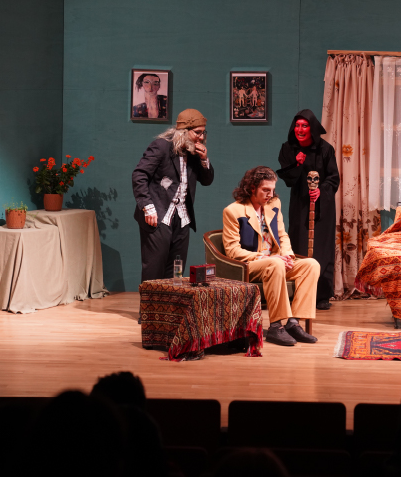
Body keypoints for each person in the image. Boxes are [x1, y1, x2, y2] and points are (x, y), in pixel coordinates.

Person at [222, 166, 319, 346]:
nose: (270, 194)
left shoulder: (274, 205)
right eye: (266, 190)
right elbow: (233, 251)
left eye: (272, 190)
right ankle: (276, 326)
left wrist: (287, 256)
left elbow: (282, 235)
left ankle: (293, 323)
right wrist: (268, 259)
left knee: (311, 264)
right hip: (250, 266)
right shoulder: (233, 211)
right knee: (276, 264)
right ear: (252, 187)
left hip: (276, 262)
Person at [132, 109, 214, 281]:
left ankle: (171, 299)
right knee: (154, 269)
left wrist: (204, 159)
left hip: (182, 218)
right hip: (158, 214)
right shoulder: (162, 146)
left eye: (203, 132)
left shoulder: (193, 152)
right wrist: (147, 207)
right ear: (184, 131)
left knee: (176, 270)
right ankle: (151, 300)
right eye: (197, 132)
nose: (201, 137)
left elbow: (207, 181)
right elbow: (139, 175)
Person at [277, 109, 340, 310]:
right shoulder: (288, 148)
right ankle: (300, 292)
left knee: (322, 248)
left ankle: (322, 295)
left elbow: (334, 178)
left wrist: (321, 190)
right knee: (299, 244)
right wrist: (297, 164)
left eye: (304, 126)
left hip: (323, 206)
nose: (300, 129)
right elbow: (287, 178)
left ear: (312, 128)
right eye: (297, 125)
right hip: (300, 204)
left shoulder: (326, 149)